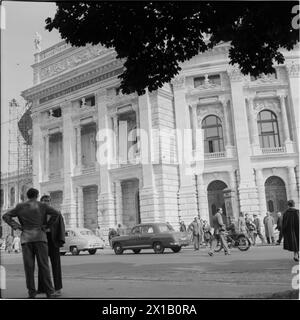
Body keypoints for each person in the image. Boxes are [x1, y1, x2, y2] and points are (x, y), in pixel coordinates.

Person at [2, 188, 60, 299]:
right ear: (37, 195)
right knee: (44, 266)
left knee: (29, 267)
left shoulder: (20, 206)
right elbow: (56, 213)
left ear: (27, 196)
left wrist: (16, 226)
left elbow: (5, 216)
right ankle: (50, 292)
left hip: (26, 239)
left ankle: (32, 292)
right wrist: (47, 225)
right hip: (40, 237)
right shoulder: (42, 205)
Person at [37, 195, 65, 296]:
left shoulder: (56, 213)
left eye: (48, 201)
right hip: (42, 242)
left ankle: (58, 288)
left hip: (53, 242)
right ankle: (41, 288)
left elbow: (61, 227)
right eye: (44, 200)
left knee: (56, 266)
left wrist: (60, 240)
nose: (46, 202)